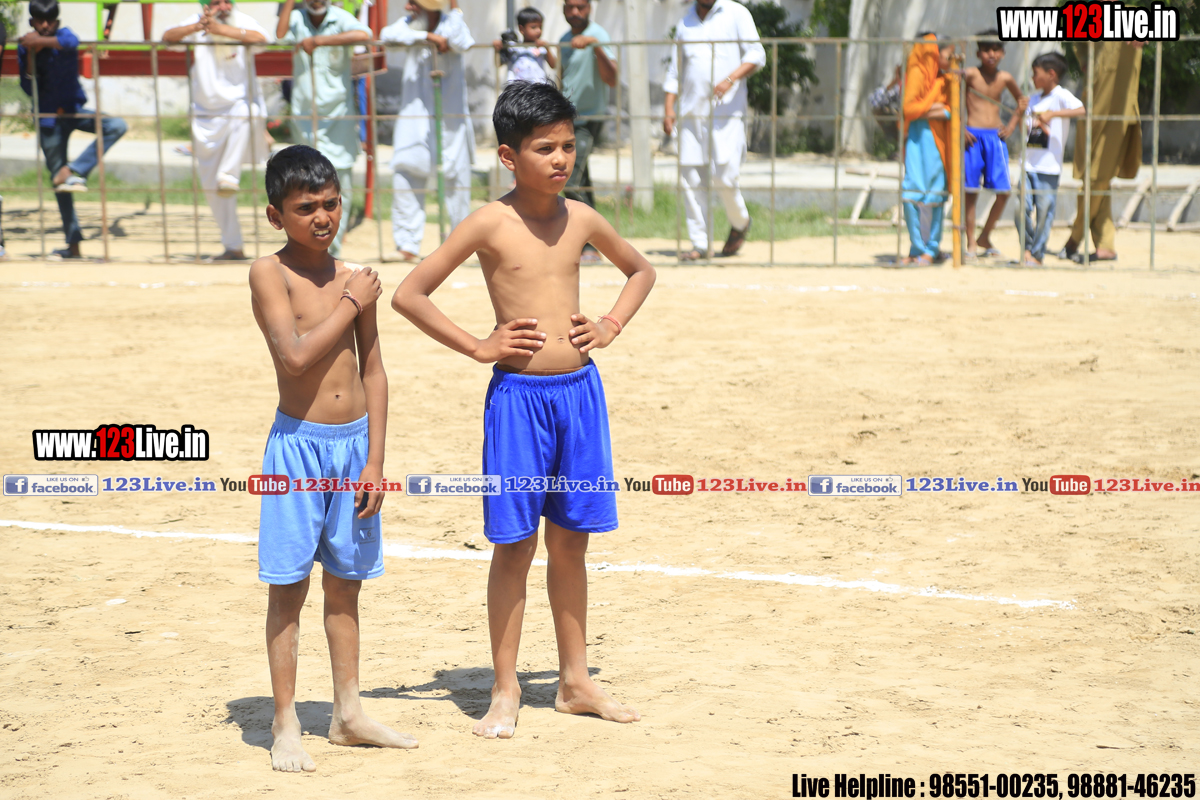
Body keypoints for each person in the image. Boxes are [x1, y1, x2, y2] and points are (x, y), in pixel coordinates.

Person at [391, 81, 653, 739]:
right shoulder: (488, 223)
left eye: (568, 145)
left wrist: (611, 324)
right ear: (509, 156)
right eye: (544, 148)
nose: (561, 158)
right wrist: (480, 346)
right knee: (514, 546)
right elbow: (410, 294)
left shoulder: (582, 217)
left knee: (571, 543)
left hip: (580, 398)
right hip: (517, 405)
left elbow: (641, 270)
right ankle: (504, 689)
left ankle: (575, 681)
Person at [249, 144, 412, 772]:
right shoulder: (271, 274)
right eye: (305, 208)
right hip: (297, 449)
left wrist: (375, 461)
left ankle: (348, 713)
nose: (322, 217)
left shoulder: (353, 277)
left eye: (331, 203)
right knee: (288, 586)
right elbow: (294, 357)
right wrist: (351, 302)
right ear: (276, 216)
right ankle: (285, 721)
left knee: (346, 584)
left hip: (354, 450)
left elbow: (374, 371)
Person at [17, 0, 127, 260]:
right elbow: (27, 85)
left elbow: (71, 42)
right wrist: (31, 51)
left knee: (116, 126)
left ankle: (76, 169)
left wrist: (40, 41)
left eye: (50, 21)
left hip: (74, 111)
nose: (46, 25)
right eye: (40, 21)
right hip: (48, 120)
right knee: (60, 183)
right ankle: (73, 244)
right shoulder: (26, 46)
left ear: (57, 22)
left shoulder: (64, 35)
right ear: (32, 22)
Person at [164, 0, 269, 262]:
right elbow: (167, 38)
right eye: (215, 2)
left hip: (237, 106)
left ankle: (230, 174)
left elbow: (262, 39)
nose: (222, 6)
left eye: (226, 1)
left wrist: (223, 31)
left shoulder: (241, 21)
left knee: (249, 111)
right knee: (212, 188)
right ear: (205, 6)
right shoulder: (196, 22)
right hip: (205, 115)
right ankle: (233, 247)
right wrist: (197, 27)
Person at [662, 0, 765, 261]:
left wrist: (730, 79)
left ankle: (740, 222)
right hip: (690, 114)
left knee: (725, 177)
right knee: (691, 180)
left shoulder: (736, 13)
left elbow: (757, 54)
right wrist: (669, 108)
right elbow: (675, 71)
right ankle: (700, 244)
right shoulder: (685, 23)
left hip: (727, 114)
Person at [380, 0, 474, 262]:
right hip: (414, 119)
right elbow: (388, 36)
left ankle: (459, 247)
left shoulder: (452, 23)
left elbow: (461, 41)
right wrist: (427, 36)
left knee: (457, 181)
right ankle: (407, 245)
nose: (409, 7)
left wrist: (453, 9)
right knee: (405, 174)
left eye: (415, 3)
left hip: (450, 121)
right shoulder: (410, 27)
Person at [276, 0, 370, 258]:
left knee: (340, 182)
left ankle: (332, 251)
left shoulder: (339, 18)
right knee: (305, 182)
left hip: (338, 115)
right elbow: (280, 35)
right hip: (305, 116)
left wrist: (320, 41)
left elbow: (364, 35)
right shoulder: (297, 18)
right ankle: (310, 247)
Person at [1058, 41, 1144, 264]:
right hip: (1093, 104)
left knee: (1098, 176)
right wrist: (1085, 60)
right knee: (1094, 176)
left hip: (1118, 107)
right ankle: (1105, 245)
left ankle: (1074, 238)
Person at [559, 0, 616, 263]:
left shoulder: (598, 34)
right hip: (566, 120)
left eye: (580, 7)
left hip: (589, 118)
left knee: (569, 180)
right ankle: (589, 245)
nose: (575, 12)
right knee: (581, 179)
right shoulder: (564, 39)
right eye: (570, 7)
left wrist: (595, 46)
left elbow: (612, 78)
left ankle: (593, 243)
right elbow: (562, 77)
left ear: (589, 8)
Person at [962, 29, 1025, 261]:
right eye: (987, 50)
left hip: (995, 139)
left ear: (1003, 53)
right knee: (970, 192)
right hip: (972, 137)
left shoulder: (1005, 78)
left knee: (1004, 192)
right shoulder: (969, 74)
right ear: (978, 53)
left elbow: (1022, 101)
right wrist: (960, 127)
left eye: (996, 50)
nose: (991, 54)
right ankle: (970, 241)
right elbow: (951, 97)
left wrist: (1011, 126)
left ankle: (985, 236)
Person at [1016, 52, 1084, 266]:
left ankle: (1037, 254)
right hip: (1028, 164)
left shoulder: (1061, 96)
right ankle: (1026, 249)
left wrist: (1052, 115)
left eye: (1035, 73)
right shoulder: (1033, 99)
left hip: (1048, 166)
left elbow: (1081, 110)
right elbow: (1025, 129)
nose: (1032, 78)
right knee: (1020, 207)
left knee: (1044, 211)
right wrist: (1021, 113)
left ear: (1051, 74)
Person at [900, 34, 954, 266]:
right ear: (935, 54)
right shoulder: (917, 75)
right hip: (915, 141)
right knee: (911, 193)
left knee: (934, 194)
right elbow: (908, 110)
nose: (952, 59)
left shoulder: (946, 80)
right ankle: (916, 248)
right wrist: (934, 107)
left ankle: (931, 249)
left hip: (937, 143)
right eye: (949, 55)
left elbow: (950, 111)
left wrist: (924, 110)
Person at [494, 6, 556, 85]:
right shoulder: (514, 47)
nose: (538, 31)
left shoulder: (541, 48)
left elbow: (554, 65)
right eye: (533, 27)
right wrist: (497, 49)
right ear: (521, 29)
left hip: (537, 88)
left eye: (540, 27)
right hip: (518, 88)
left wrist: (547, 48)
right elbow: (498, 64)